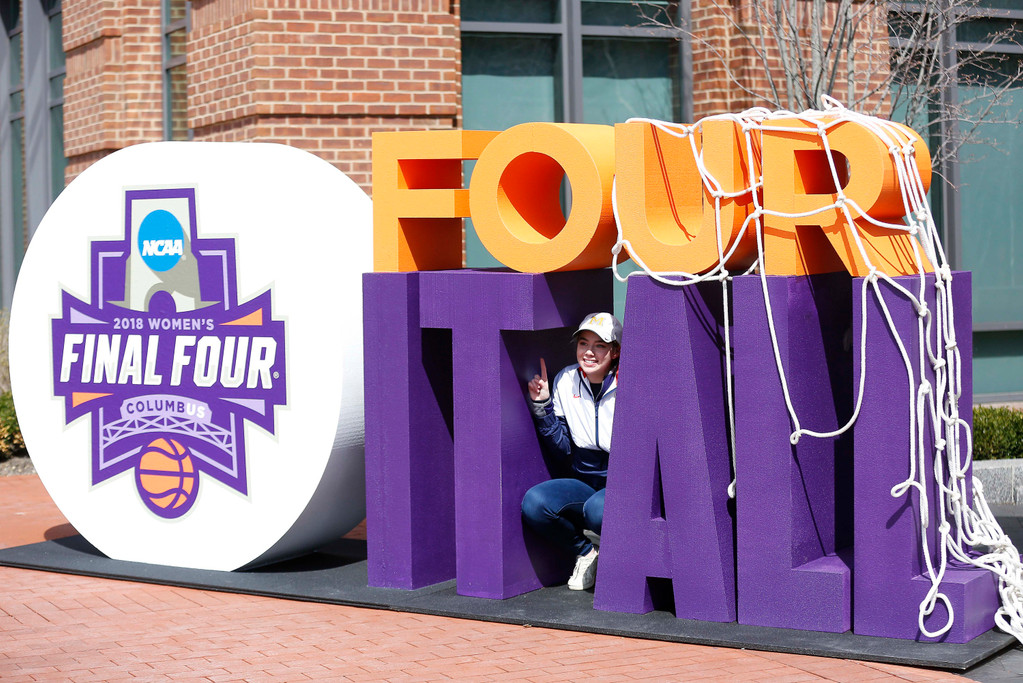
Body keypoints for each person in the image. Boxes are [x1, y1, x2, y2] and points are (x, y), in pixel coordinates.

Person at [522, 312, 622, 591]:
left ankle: (621, 562)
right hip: (584, 478)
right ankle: (588, 553)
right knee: (535, 502)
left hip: (620, 480)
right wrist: (543, 407)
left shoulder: (629, 381)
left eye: (599, 345)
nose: (589, 352)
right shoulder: (566, 379)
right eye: (583, 343)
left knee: (597, 511)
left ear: (614, 351)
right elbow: (563, 446)